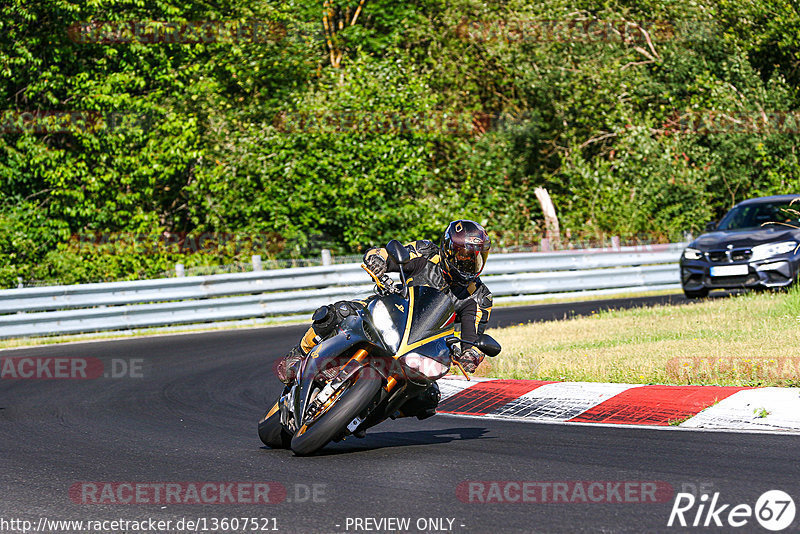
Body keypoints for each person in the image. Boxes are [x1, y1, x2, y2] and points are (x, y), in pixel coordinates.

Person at [275, 219, 493, 419]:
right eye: (463, 256)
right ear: (448, 249)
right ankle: (298, 354)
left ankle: (366, 414)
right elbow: (384, 253)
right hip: (390, 312)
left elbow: (473, 338)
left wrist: (470, 354)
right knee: (338, 312)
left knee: (427, 399)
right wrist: (378, 261)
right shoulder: (426, 253)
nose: (469, 263)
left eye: (476, 257)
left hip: (422, 344)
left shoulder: (479, 296)